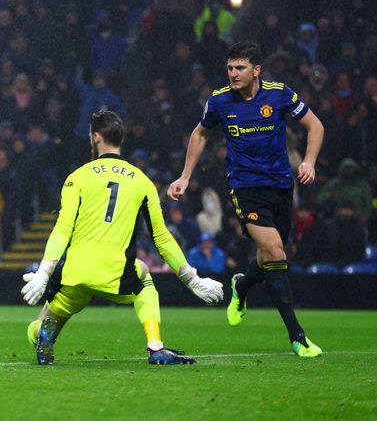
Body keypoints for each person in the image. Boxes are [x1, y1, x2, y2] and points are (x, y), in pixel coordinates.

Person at [21, 111, 223, 366]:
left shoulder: (78, 176)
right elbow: (161, 238)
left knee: (53, 312)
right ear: (121, 139)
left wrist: (44, 271)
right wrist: (192, 280)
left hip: (76, 271)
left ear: (95, 137)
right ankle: (155, 346)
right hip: (116, 272)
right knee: (144, 276)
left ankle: (40, 334)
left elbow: (62, 228)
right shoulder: (142, 181)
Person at [167, 41, 325, 358]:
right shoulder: (220, 101)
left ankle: (242, 285)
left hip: (281, 186)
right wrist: (185, 175)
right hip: (245, 188)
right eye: (230, 68)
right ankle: (298, 337)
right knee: (274, 250)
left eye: (240, 68)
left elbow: (315, 125)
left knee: (270, 258)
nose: (233, 74)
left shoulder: (279, 94)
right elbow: (200, 133)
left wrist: (308, 161)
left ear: (257, 70)